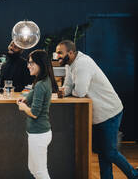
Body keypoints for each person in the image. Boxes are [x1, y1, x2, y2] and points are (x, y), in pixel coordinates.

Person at [56, 40, 138, 179]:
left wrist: (68, 91)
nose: (56, 56)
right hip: (97, 113)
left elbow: (80, 92)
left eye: (59, 53)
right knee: (103, 152)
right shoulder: (69, 64)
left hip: (109, 111)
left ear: (70, 53)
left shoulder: (82, 64)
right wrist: (65, 90)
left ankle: (134, 174)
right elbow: (69, 85)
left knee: (109, 152)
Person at [17, 49, 58, 179]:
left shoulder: (41, 84)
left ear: (41, 64)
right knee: (33, 168)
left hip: (39, 134)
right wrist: (25, 99)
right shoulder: (42, 81)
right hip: (38, 133)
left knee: (40, 171)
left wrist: (23, 107)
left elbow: (34, 113)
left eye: (31, 63)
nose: (28, 66)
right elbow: (33, 95)